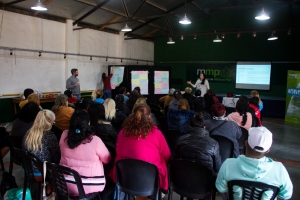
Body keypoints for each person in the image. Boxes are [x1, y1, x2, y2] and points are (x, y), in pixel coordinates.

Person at [215, 127, 293, 200]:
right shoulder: (279, 169)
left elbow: (221, 188)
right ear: (267, 150)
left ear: (246, 143)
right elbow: (286, 195)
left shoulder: (228, 164)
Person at [111, 104, 171, 195]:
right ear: (150, 116)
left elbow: (118, 151)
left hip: (125, 178)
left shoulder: (122, 132)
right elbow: (167, 156)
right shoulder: (157, 134)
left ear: (133, 115)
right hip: (150, 181)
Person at [59, 110, 111, 196]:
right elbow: (107, 159)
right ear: (88, 123)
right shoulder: (95, 140)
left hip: (63, 183)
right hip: (88, 185)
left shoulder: (64, 135)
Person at [22, 110, 61, 176]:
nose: (52, 124)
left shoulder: (28, 133)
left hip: (27, 169)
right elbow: (56, 157)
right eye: (53, 122)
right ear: (49, 121)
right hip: (43, 171)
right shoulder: (49, 135)